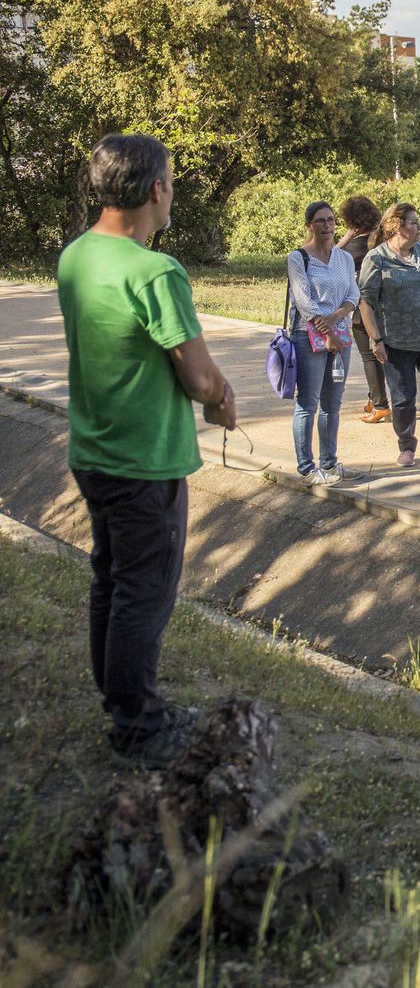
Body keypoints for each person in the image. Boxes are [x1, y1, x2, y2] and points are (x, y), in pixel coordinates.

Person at [57, 133, 238, 769]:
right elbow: (197, 376)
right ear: (156, 189)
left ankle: (122, 702)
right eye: (172, 181)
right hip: (144, 460)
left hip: (93, 451)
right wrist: (222, 398)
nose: (173, 192)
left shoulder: (78, 254)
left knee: (112, 577)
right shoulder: (155, 271)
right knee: (145, 590)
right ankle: (137, 725)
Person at [359, 202, 420, 467]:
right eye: (413, 223)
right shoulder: (376, 258)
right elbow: (366, 301)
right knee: (403, 399)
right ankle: (406, 446)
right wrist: (375, 339)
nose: (419, 227)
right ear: (396, 227)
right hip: (396, 342)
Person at [287, 201, 362, 484]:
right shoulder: (299, 258)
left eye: (330, 220)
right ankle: (307, 468)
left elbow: (353, 294)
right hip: (308, 336)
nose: (327, 226)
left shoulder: (343, 258)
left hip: (341, 336)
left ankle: (330, 463)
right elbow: (304, 301)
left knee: (333, 403)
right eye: (320, 221)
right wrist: (326, 330)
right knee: (308, 402)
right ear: (309, 225)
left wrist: (337, 318)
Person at [338, 195, 389, 424]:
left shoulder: (352, 248)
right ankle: (374, 397)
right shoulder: (382, 241)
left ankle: (380, 405)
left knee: (369, 356)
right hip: (388, 306)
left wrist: (346, 238)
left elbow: (324, 261)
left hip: (363, 308)